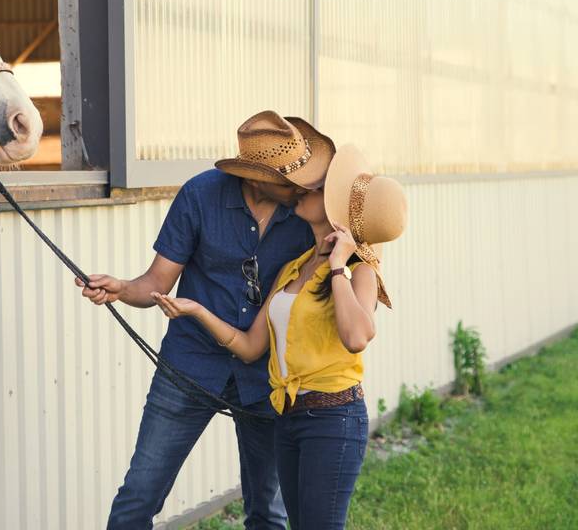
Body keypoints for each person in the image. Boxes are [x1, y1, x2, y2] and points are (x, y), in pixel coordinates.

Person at [76, 111, 336, 529]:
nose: (301, 185)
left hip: (268, 374)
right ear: (254, 177)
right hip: (189, 366)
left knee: (268, 511)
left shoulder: (306, 212)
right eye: (288, 179)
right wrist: (121, 288)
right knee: (139, 496)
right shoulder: (200, 195)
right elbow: (157, 281)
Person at [154, 144, 407, 529]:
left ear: (335, 210)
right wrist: (197, 310)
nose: (303, 190)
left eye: (318, 190)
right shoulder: (294, 266)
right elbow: (252, 346)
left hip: (332, 417)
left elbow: (358, 336)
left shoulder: (361, 270)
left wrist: (338, 266)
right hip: (287, 417)